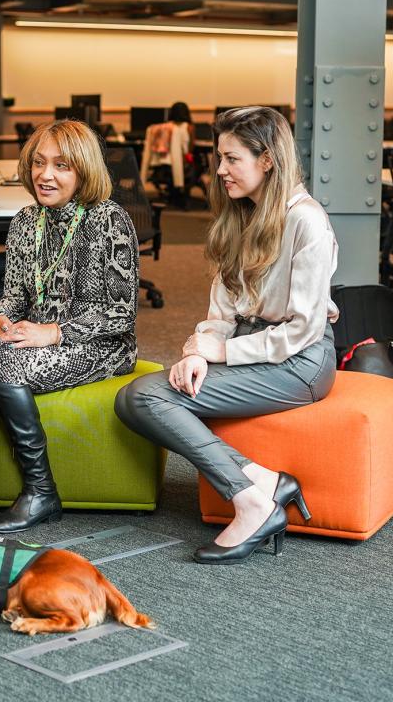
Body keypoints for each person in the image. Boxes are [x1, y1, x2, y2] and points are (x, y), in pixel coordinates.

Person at [115, 106, 339, 565]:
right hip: (247, 346)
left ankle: (252, 501)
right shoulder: (240, 215)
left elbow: (303, 328)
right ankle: (264, 482)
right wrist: (201, 349)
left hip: (299, 360)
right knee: (134, 398)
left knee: (149, 399)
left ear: (268, 160)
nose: (219, 170)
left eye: (232, 159)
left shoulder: (307, 221)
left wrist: (222, 351)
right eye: (220, 158)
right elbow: (222, 309)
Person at [0, 119, 140, 534]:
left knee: (7, 369)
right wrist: (0, 320)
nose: (45, 175)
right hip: (33, 339)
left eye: (61, 166)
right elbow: (15, 294)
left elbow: (121, 313)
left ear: (84, 170)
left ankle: (41, 491)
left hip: (101, 344)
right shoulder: (25, 221)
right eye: (39, 163)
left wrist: (53, 333)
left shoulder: (108, 220)